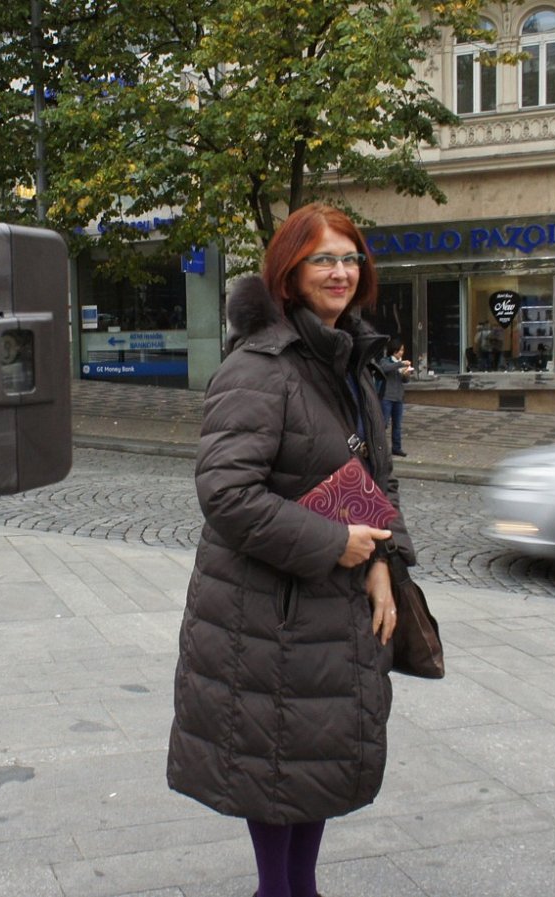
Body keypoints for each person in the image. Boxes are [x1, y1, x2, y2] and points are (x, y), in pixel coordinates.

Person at [167, 203, 414, 897]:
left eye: (350, 258)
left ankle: (296, 886)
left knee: (312, 757)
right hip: (266, 610)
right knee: (275, 761)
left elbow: (375, 480)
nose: (340, 271)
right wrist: (335, 543)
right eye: (322, 259)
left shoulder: (347, 356)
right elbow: (226, 492)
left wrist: (383, 568)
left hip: (328, 605)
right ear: (288, 270)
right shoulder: (261, 365)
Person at [376, 338, 413, 456]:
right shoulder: (385, 361)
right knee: (384, 423)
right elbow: (385, 368)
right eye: (400, 350)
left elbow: (405, 381)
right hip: (387, 397)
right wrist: (400, 364)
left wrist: (406, 374)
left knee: (397, 425)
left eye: (402, 350)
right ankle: (378, 446)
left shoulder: (400, 363)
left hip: (398, 398)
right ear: (394, 350)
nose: (401, 353)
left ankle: (396, 448)